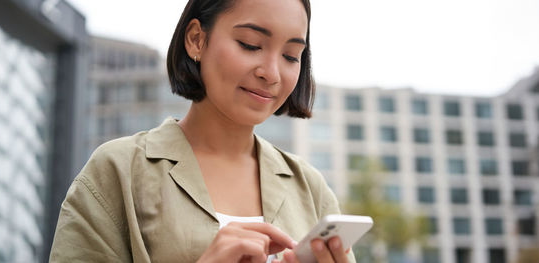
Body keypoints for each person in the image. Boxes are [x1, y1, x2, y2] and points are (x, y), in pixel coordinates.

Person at [49, 0, 354, 262]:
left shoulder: (311, 189)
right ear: (196, 39)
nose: (272, 73)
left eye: (291, 56)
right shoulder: (118, 171)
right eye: (250, 44)